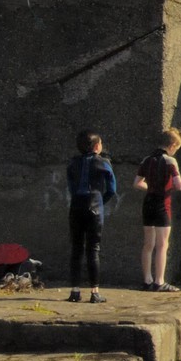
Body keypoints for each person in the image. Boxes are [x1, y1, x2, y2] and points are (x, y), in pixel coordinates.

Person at [65, 129, 117, 303]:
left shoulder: (73, 163)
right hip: (95, 205)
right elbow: (112, 189)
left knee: (76, 249)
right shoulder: (103, 162)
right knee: (93, 249)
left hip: (76, 205)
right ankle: (94, 292)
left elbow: (71, 186)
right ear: (96, 146)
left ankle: (75, 291)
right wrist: (101, 201)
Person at [134, 128, 181, 292]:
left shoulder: (146, 160)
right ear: (172, 145)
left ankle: (147, 280)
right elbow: (179, 185)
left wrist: (151, 187)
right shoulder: (170, 161)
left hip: (148, 202)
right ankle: (159, 281)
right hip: (163, 204)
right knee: (162, 245)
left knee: (148, 244)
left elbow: (137, 183)